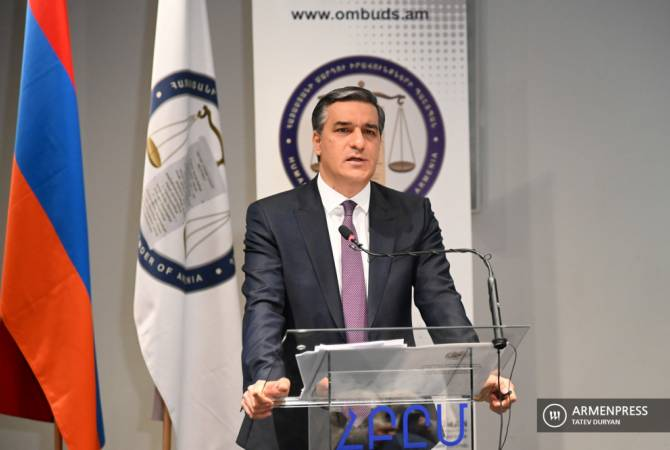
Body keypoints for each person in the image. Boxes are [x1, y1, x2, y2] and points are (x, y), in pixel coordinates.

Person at [237, 86, 516, 449]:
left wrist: (476, 372)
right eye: (343, 130)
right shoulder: (273, 217)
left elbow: (441, 301)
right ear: (317, 141)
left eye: (369, 132)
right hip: (301, 420)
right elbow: (263, 307)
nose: (359, 142)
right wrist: (267, 379)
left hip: (394, 421)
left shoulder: (412, 215)